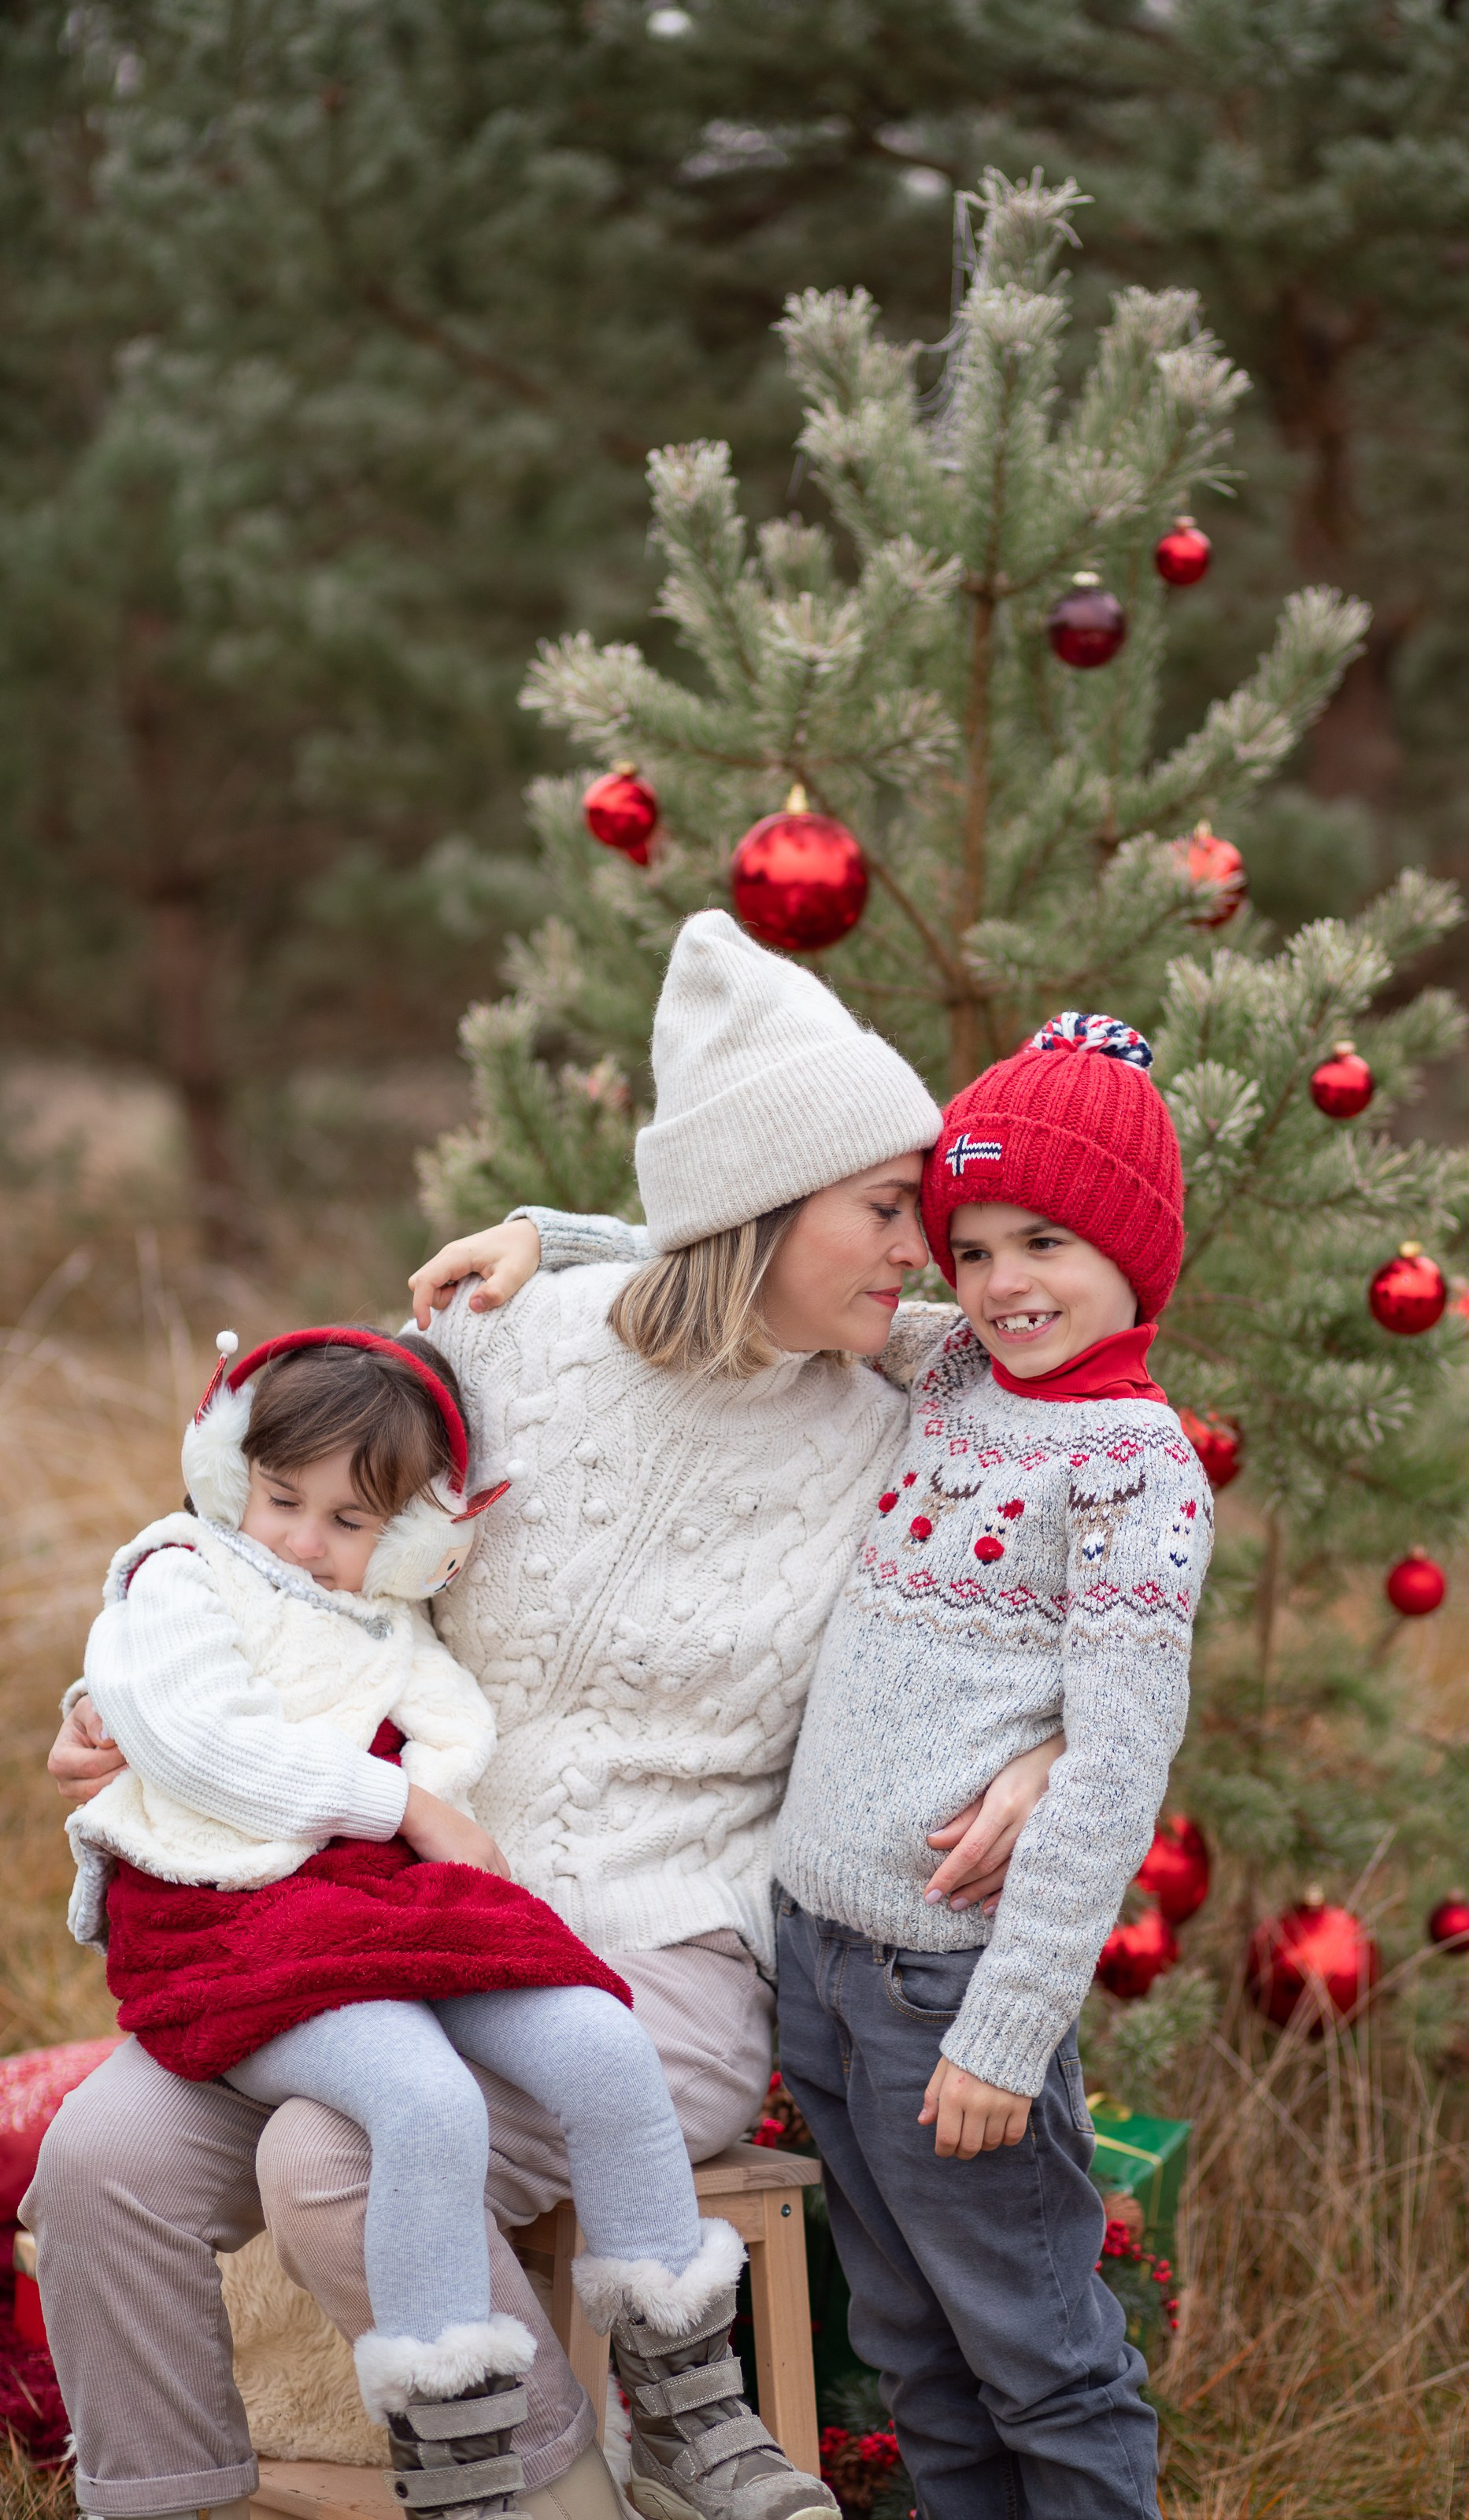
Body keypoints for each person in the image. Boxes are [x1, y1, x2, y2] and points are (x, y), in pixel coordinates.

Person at [33, 914, 1058, 2520]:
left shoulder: (899, 1434)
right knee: (100, 2166)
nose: (918, 1247)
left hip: (656, 1951)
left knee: (335, 2159)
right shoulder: (497, 1353)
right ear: (757, 1203)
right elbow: (295, 1558)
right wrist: (131, 1700)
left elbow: (1096, 1446)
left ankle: (559, 2489)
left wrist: (1054, 1748)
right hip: (366, 1912)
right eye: (880, 1207)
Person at [61, 1319, 792, 2520]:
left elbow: (453, 1731)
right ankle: (466, 2465)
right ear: (223, 1467)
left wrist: (432, 1789)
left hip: (364, 1917)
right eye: (279, 1498)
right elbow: (198, 1733)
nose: (303, 1543)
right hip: (228, 1931)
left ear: (413, 1538)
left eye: (350, 1524)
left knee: (601, 2042)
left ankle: (689, 2404)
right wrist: (396, 1797)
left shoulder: (385, 1623)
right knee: (422, 2096)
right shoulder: (182, 1569)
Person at [771, 1010, 1215, 2520]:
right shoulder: (954, 1367)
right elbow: (773, 1280)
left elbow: (1108, 1769)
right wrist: (538, 1238)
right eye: (968, 1246)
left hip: (948, 1986)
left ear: (1131, 1256)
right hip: (817, 1960)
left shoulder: (1132, 1469)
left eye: (1045, 1242)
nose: (1002, 1284)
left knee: (1037, 2353)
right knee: (910, 2343)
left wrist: (1007, 2032)